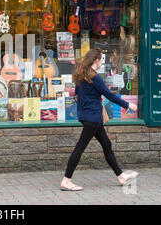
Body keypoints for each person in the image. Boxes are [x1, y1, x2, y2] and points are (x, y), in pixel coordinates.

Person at [60, 48, 139, 191]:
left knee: (106, 144)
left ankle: (120, 176)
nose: (101, 62)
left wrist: (93, 98)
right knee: (80, 147)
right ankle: (66, 180)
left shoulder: (80, 75)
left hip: (86, 116)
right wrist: (128, 105)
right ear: (96, 60)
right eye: (101, 59)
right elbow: (110, 95)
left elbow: (77, 96)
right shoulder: (95, 77)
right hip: (93, 117)